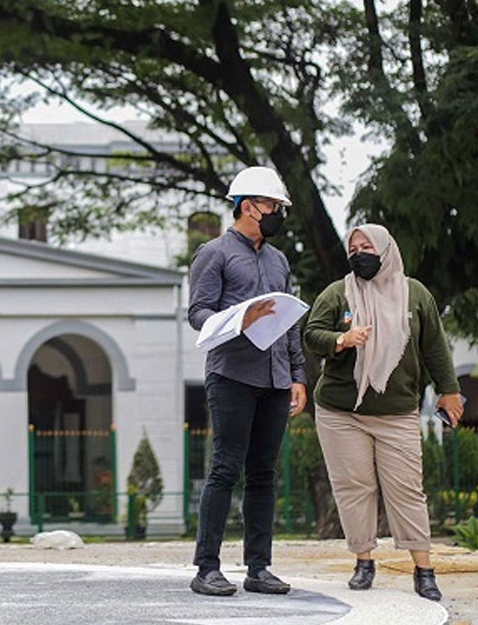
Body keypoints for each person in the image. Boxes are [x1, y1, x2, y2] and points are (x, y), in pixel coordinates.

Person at [303, 224, 463, 601]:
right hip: (341, 411)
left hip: (397, 411)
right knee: (355, 486)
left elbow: (435, 348)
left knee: (406, 490)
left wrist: (450, 391)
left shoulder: (415, 294)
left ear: (385, 250)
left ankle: (424, 570)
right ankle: (364, 561)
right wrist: (341, 340)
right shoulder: (338, 293)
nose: (359, 253)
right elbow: (312, 333)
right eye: (353, 248)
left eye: (366, 246)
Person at [187, 166, 308, 597]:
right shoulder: (214, 253)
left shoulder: (278, 261)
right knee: (225, 469)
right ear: (247, 205)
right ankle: (206, 568)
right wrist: (239, 320)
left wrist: (297, 376)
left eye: (279, 207)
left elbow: (291, 323)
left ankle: (259, 568)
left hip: (275, 380)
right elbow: (197, 313)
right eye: (272, 205)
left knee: (264, 474)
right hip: (231, 375)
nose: (277, 212)